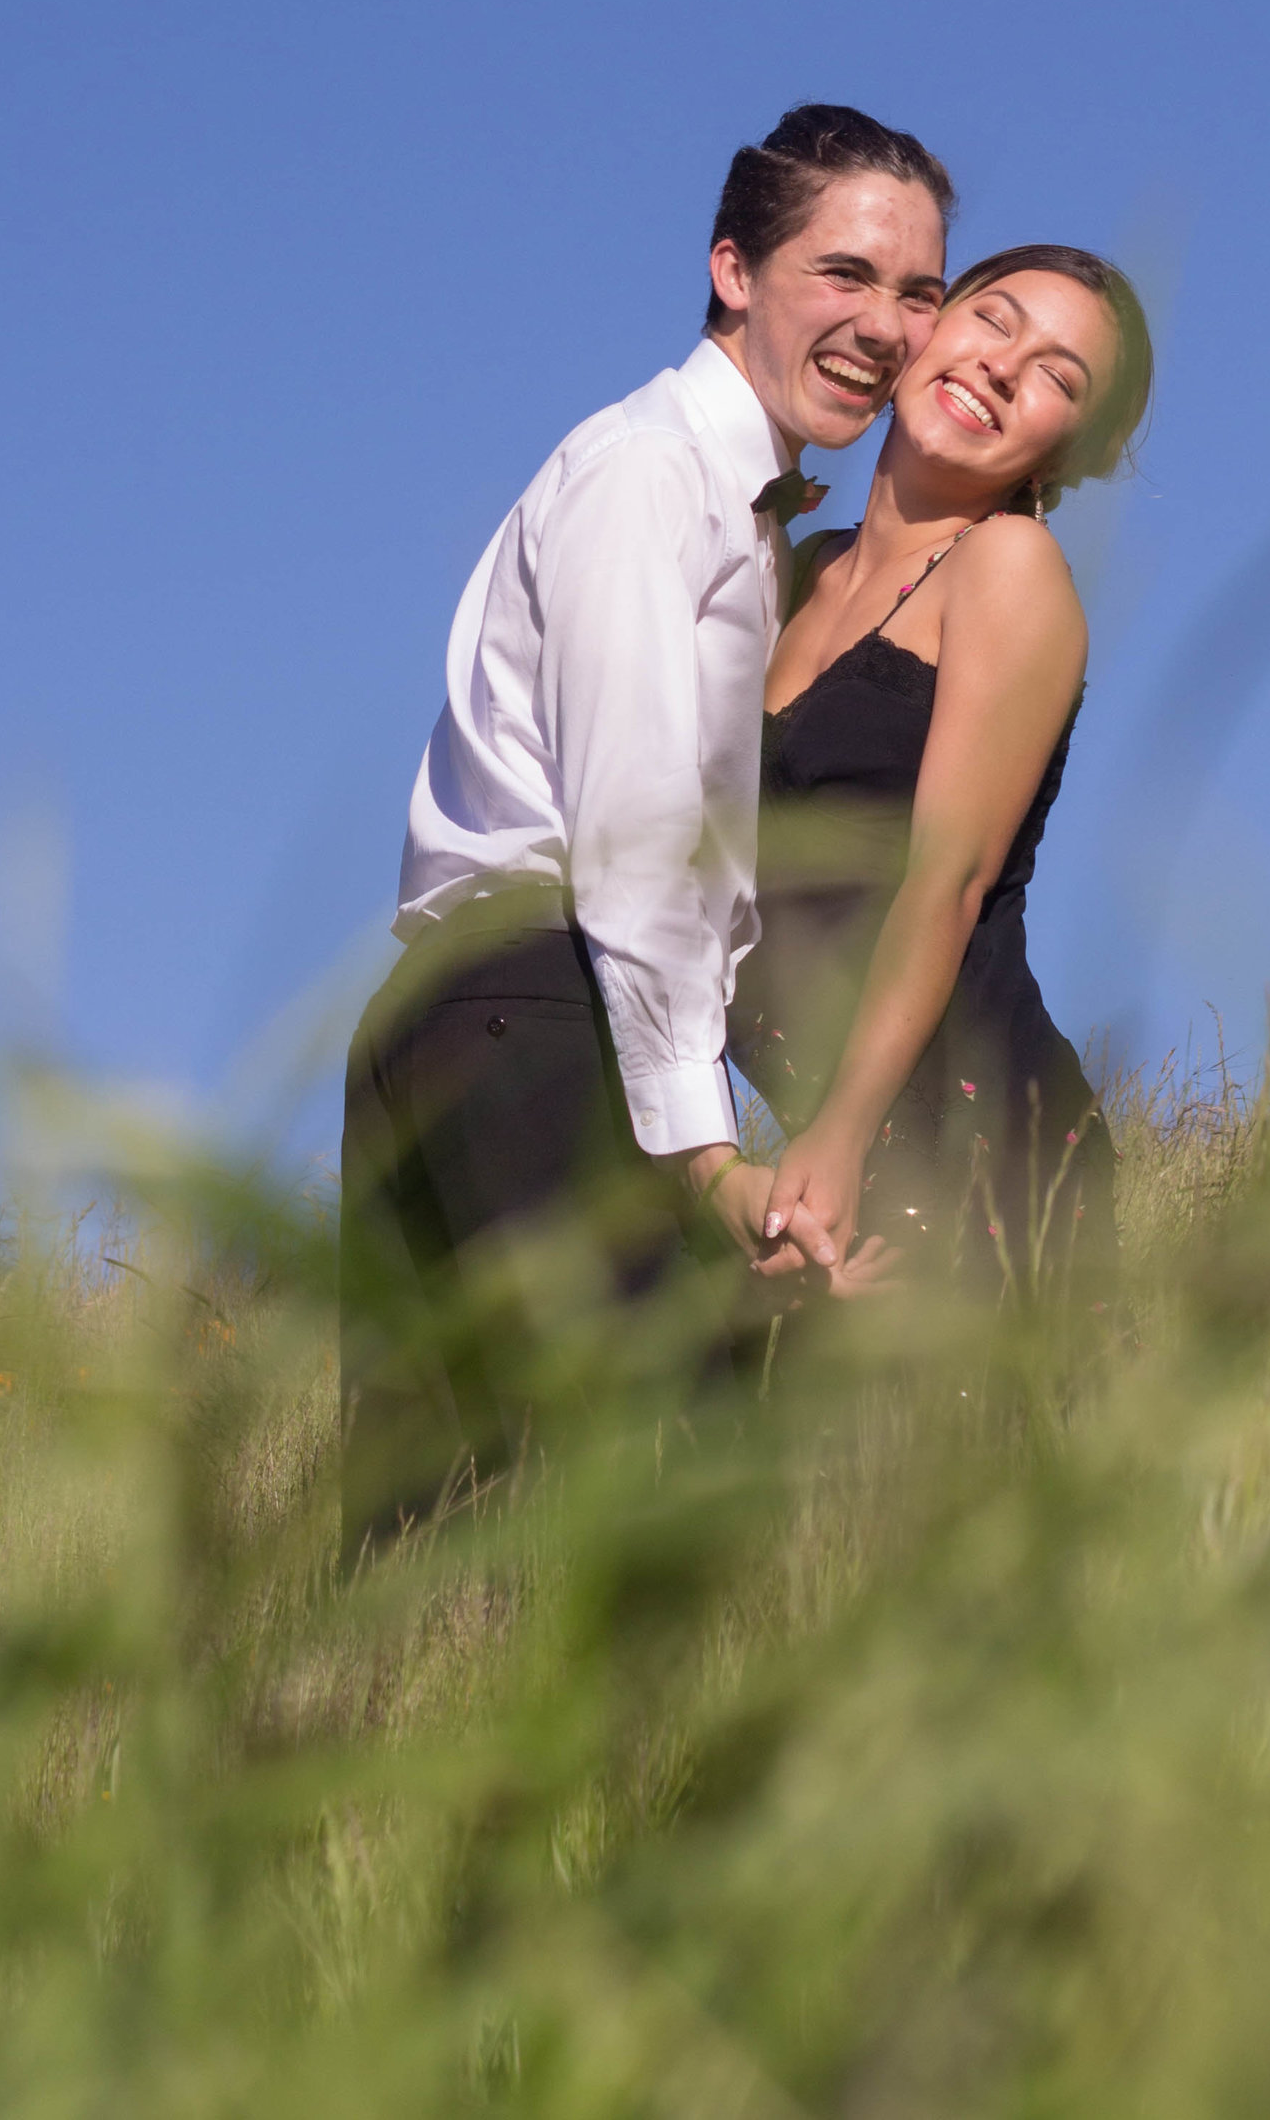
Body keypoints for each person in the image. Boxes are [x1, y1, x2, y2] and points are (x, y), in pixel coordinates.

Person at [341, 102, 954, 1536]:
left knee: (425, 1529)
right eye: (846, 275)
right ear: (734, 269)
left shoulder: (734, 509)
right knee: (663, 1502)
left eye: (920, 289)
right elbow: (635, 835)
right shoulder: (647, 477)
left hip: (476, 1013)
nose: (889, 324)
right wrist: (702, 1154)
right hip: (529, 1010)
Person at [730, 245, 1154, 1302]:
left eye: (1061, 378)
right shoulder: (782, 570)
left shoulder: (1007, 566)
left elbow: (946, 881)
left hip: (975, 1153)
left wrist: (838, 1137)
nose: (1007, 368)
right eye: (993, 319)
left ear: (1072, 446)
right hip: (817, 1155)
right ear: (924, 326)